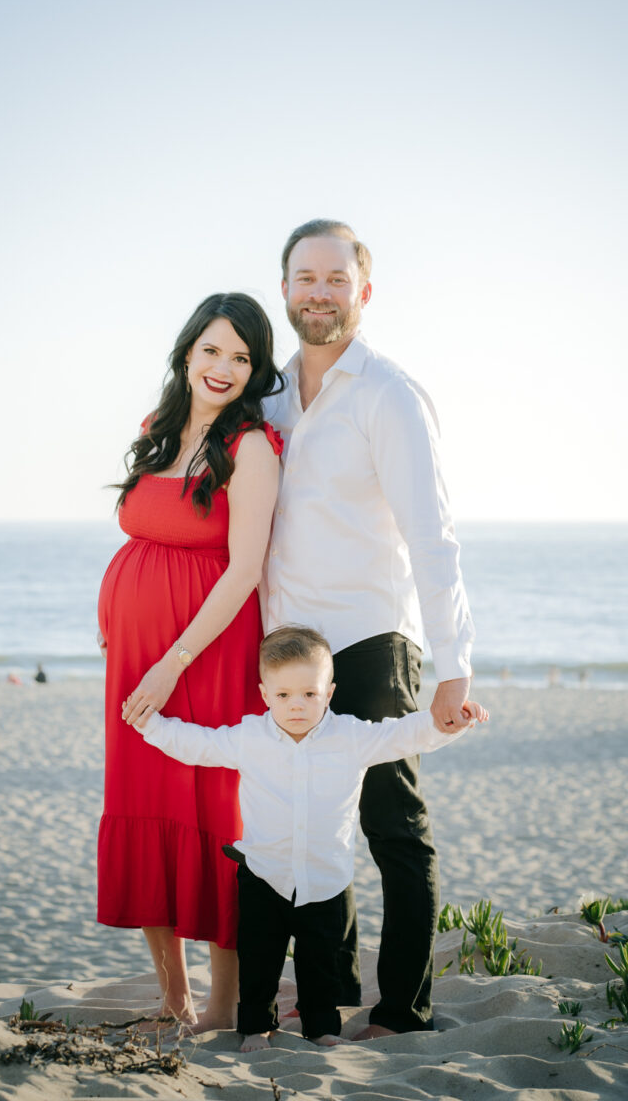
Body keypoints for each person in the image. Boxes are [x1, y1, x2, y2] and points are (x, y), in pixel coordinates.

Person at [261, 219, 476, 1038]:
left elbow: (434, 534)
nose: (319, 293)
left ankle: (406, 1008)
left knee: (394, 829)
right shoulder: (270, 394)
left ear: (364, 292)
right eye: (305, 278)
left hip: (372, 640)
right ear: (285, 288)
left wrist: (454, 664)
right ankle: (329, 990)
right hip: (289, 650)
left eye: (336, 279)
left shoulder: (388, 393)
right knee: (309, 829)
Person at [123, 625, 488, 1050]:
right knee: (260, 961)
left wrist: (452, 723)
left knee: (321, 963)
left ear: (329, 692)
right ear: (265, 694)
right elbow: (198, 744)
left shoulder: (351, 738)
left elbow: (403, 735)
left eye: (309, 695)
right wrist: (152, 726)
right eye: (283, 696)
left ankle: (321, 1028)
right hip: (264, 875)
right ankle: (257, 1027)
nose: (296, 705)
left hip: (325, 881)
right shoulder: (249, 738)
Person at [97, 293, 284, 1032]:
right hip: (136, 656)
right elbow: (140, 537)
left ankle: (222, 1003)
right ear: (186, 353)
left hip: (203, 655)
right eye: (212, 350)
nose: (223, 367)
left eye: (241, 357)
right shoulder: (156, 430)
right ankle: (171, 997)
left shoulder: (253, 448)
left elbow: (243, 571)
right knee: (144, 805)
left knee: (211, 811)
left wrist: (171, 665)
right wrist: (111, 612)